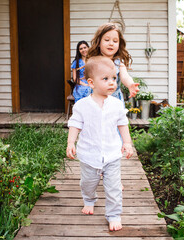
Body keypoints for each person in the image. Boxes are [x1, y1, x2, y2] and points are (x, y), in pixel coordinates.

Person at [66, 56, 133, 232]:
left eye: (113, 78)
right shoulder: (81, 106)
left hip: (112, 154)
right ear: (91, 82)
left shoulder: (117, 104)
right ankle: (89, 200)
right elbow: (75, 125)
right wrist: (70, 143)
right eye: (105, 79)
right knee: (88, 183)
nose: (111, 82)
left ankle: (114, 214)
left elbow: (122, 124)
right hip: (89, 155)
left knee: (113, 187)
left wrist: (127, 142)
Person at [87, 23, 140, 103]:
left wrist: (130, 84)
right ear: (98, 42)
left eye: (115, 41)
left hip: (114, 101)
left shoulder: (119, 64)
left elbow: (125, 76)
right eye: (107, 40)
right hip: (96, 100)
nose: (111, 43)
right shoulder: (94, 62)